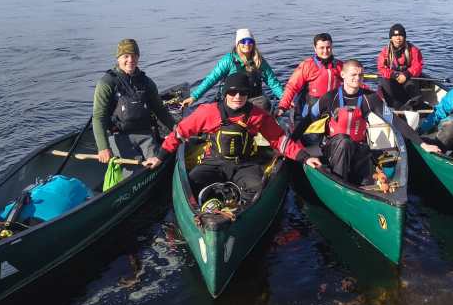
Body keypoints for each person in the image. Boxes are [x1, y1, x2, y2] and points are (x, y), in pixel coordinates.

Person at [145, 72, 321, 196]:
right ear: (225, 93)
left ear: (248, 94)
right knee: (191, 183)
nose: (237, 96)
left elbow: (280, 141)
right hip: (214, 161)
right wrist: (159, 158)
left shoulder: (258, 115)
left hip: (245, 164)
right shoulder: (207, 112)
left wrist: (304, 157)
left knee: (257, 189)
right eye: (232, 92)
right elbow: (179, 133)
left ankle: (238, 210)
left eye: (243, 92)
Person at [93, 39, 175, 166]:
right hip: (119, 136)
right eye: (126, 56)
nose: (130, 60)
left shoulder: (147, 82)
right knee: (129, 172)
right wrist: (103, 147)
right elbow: (99, 117)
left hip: (146, 135)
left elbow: (160, 109)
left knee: (155, 164)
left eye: (134, 56)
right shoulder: (106, 83)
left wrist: (177, 130)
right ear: (118, 59)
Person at [314, 59, 385, 183]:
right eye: (353, 74)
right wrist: (292, 145)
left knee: (363, 153)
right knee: (345, 142)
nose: (358, 78)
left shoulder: (371, 98)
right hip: (334, 147)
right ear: (343, 75)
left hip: (358, 147)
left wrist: (422, 144)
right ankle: (339, 183)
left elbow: (395, 121)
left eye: (361, 75)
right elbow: (307, 120)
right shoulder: (330, 97)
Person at [181, 29, 284, 111]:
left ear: (254, 44)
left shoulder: (259, 61)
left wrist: (285, 100)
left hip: (254, 99)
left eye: (250, 41)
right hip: (233, 100)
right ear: (237, 44)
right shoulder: (228, 60)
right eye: (243, 41)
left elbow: (273, 82)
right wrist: (194, 97)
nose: (247, 44)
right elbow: (211, 79)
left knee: (265, 104)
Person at [277, 32, 343, 120]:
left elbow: (353, 82)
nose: (325, 51)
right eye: (321, 48)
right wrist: (282, 107)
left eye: (328, 47)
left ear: (332, 47)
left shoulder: (339, 66)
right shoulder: (307, 65)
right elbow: (292, 86)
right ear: (315, 48)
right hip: (310, 108)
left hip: (333, 107)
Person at [376, 23, 425, 110]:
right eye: (395, 36)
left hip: (409, 78)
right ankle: (395, 105)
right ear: (391, 38)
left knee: (411, 85)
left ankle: (415, 104)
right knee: (384, 81)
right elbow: (381, 68)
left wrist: (406, 74)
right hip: (394, 78)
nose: (398, 38)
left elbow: (418, 65)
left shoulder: (413, 50)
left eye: (400, 35)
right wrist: (394, 75)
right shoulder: (385, 52)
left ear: (405, 37)